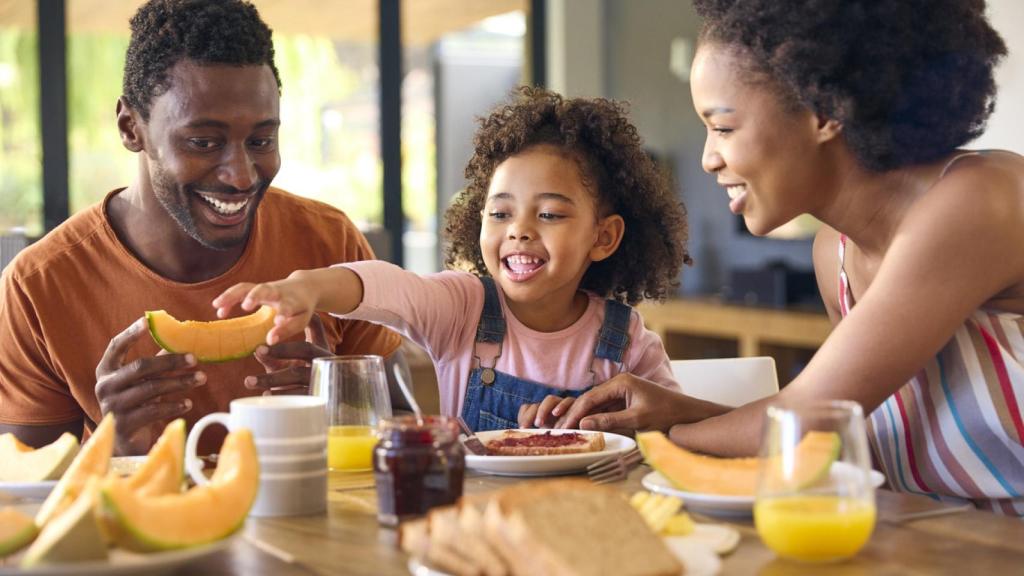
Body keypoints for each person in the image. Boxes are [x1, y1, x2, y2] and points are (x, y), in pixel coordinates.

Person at [556, 0, 1024, 515]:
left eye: (723, 128)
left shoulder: (982, 199)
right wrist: (680, 411)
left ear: (822, 111)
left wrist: (669, 430)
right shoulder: (835, 255)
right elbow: (837, 431)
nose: (709, 158)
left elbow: (808, 417)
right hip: (926, 547)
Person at [0, 0, 405, 455]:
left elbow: (406, 432)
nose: (242, 175)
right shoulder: (39, 284)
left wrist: (341, 404)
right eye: (203, 142)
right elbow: (21, 491)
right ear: (131, 127)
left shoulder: (330, 241)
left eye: (261, 141)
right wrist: (116, 449)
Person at [212, 87, 691, 431]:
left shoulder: (624, 339)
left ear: (603, 237)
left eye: (548, 213)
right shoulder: (463, 308)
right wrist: (309, 287)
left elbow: (674, 428)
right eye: (500, 212)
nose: (518, 229)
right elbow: (388, 286)